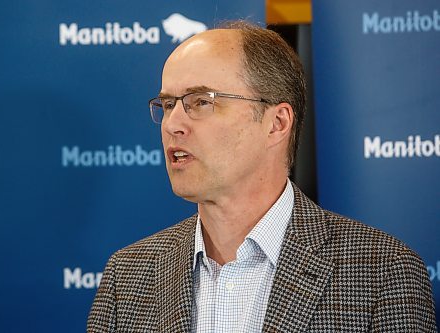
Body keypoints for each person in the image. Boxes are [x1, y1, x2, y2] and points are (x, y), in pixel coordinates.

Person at [87, 21, 437, 332]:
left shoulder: (382, 272)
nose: (173, 125)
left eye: (200, 102)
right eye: (167, 105)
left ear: (277, 123)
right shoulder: (128, 276)